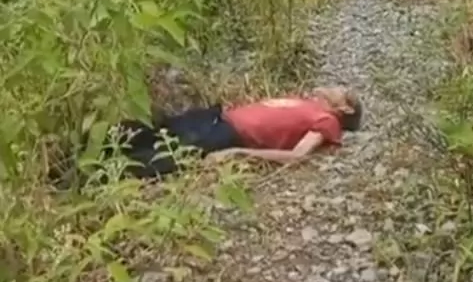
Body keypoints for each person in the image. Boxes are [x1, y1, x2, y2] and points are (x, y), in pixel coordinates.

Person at [98, 88, 363, 178]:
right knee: (147, 130)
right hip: (216, 117)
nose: (334, 87)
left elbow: (298, 155)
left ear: (345, 108)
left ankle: (85, 176)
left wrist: (238, 153)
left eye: (342, 90)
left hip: (228, 134)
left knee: (152, 159)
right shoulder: (310, 104)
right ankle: (80, 151)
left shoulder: (328, 121)